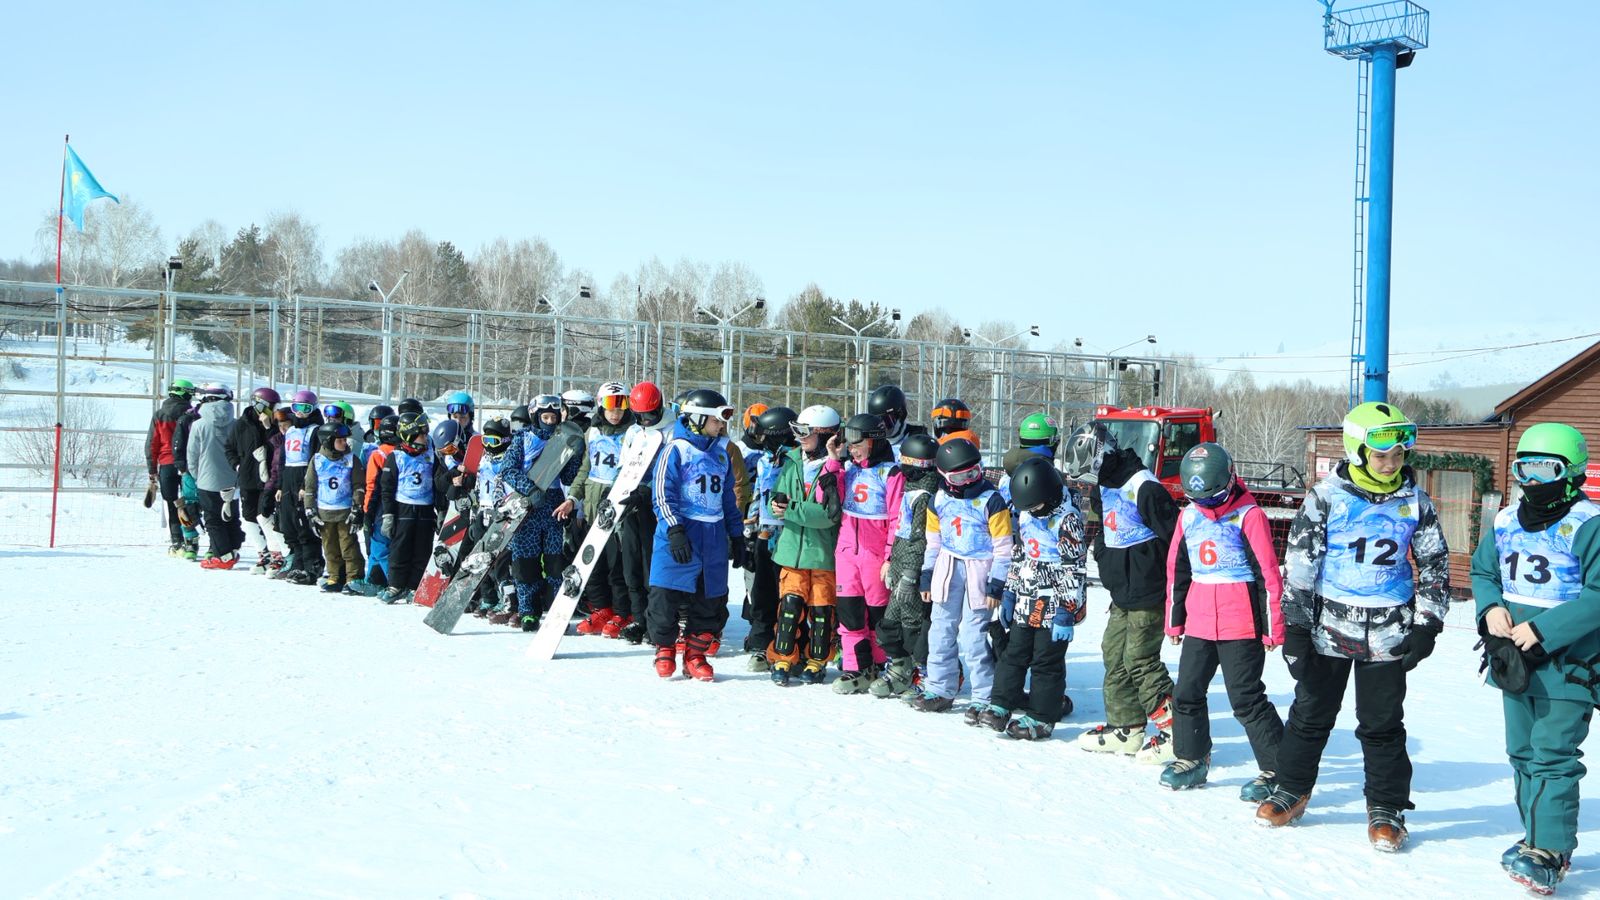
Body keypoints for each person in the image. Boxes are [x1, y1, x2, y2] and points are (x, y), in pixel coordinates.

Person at [1256, 401, 1450, 854]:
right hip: (1328, 628)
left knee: (1382, 723)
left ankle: (1386, 807)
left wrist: (1427, 626)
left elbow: (1436, 566)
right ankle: (1291, 788)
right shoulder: (1327, 497)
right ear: (1358, 451)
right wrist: (1297, 631)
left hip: (1389, 631)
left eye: (1399, 455)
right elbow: (1301, 565)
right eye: (1382, 455)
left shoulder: (1414, 502)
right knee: (1311, 714)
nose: (1392, 463)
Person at [1473, 423, 1600, 894]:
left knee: (1552, 756)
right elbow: (1485, 570)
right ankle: (1536, 838)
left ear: (1571, 473)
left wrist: (1544, 629)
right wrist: (1491, 607)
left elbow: (1598, 594)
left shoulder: (1587, 525)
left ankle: (1550, 850)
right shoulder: (1506, 520)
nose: (1532, 477)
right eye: (1524, 466)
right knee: (1522, 753)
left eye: (1545, 467)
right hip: (1513, 661)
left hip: (1568, 667)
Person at [1161, 443, 1285, 798]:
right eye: (1202, 501)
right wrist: (1175, 620)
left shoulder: (1249, 515)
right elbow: (1177, 570)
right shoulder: (1188, 516)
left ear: (1230, 482)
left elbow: (1268, 575)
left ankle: (1278, 767)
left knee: (1245, 699)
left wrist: (1273, 627)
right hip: (1199, 620)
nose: (1209, 508)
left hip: (1240, 622)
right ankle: (1191, 758)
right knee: (1186, 692)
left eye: (1215, 499)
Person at [1064, 422, 1179, 762]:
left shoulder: (1143, 487)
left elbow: (1175, 539)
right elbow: (1102, 527)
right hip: (1121, 591)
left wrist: (1175, 589)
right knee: (1113, 654)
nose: (1089, 484)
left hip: (1148, 589)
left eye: (1089, 474)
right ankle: (1125, 727)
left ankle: (1176, 731)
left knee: (1139, 660)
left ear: (1103, 457)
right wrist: (1102, 555)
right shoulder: (1104, 485)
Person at [984, 457, 1086, 739]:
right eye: (1026, 508)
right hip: (1026, 598)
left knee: (1046, 661)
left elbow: (1074, 568)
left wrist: (1067, 610)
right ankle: (1002, 703)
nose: (1031, 513)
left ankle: (1042, 716)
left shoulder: (1068, 520)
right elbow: (1020, 554)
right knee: (1014, 654)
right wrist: (1009, 591)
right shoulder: (1029, 514)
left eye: (1036, 507)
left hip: (1054, 605)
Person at [646, 389, 743, 680]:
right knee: (665, 597)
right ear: (700, 418)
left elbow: (728, 500)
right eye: (718, 418)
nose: (722, 424)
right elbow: (663, 494)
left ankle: (695, 653)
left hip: (712, 535)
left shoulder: (721, 454)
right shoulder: (676, 449)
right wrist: (674, 529)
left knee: (710, 599)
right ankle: (664, 648)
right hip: (680, 532)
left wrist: (736, 536)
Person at [909, 437, 1012, 714]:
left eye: (974, 472)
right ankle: (940, 687)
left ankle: (983, 695)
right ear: (945, 476)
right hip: (947, 568)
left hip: (980, 571)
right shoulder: (938, 500)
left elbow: (1003, 548)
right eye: (961, 475)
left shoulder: (991, 501)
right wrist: (927, 575)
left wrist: (997, 583)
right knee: (940, 631)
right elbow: (933, 542)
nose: (969, 480)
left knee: (972, 636)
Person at [824, 413, 905, 694]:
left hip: (875, 555)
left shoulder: (891, 474)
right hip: (847, 552)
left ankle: (881, 666)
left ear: (874, 440)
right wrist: (833, 460)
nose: (853, 449)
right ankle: (856, 667)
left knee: (878, 616)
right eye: (850, 444)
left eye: (857, 443)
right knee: (849, 614)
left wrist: (890, 557)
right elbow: (826, 497)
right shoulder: (848, 468)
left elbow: (897, 520)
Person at [766, 404, 843, 686]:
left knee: (822, 611)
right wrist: (776, 503)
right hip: (791, 550)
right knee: (789, 607)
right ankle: (783, 657)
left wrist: (791, 509)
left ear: (824, 436)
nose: (799, 437)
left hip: (822, 552)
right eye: (796, 431)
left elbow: (827, 515)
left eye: (805, 432)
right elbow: (779, 494)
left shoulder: (836, 468)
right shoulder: (791, 460)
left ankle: (817, 659)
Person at [497, 395, 580, 630]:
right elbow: (508, 470)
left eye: (553, 417)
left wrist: (575, 455)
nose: (549, 421)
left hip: (553, 504)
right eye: (545, 417)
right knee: (525, 562)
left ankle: (556, 611)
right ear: (535, 416)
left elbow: (568, 477)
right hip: (527, 507)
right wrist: (529, 489)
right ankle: (528, 611)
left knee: (555, 562)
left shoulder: (562, 440)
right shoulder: (523, 439)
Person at [561, 381, 636, 635]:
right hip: (593, 505)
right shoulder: (591, 433)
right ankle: (600, 608)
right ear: (600, 406)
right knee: (593, 562)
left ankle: (621, 612)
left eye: (622, 405)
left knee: (617, 565)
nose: (616, 412)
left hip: (617, 506)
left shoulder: (633, 433)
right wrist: (573, 498)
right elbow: (586, 469)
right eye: (610, 406)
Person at [873, 432, 941, 697]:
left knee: (913, 622)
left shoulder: (925, 494)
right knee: (891, 622)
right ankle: (898, 669)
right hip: (901, 560)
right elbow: (901, 533)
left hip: (915, 567)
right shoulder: (911, 489)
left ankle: (924, 672)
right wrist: (891, 561)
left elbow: (920, 539)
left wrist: (910, 573)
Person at [742, 406, 797, 670]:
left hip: (790, 536)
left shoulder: (795, 461)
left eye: (764, 435)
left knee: (788, 594)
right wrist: (750, 530)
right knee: (761, 592)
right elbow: (758, 494)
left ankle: (790, 645)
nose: (760, 439)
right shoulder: (764, 460)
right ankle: (761, 643)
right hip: (765, 532)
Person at [615, 382, 668, 642]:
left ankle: (654, 621)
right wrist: (617, 490)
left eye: (650, 415)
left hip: (657, 503)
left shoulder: (671, 429)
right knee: (631, 564)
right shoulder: (634, 432)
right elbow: (625, 463)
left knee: (651, 566)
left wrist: (647, 490)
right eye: (640, 416)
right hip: (633, 502)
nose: (645, 421)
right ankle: (638, 620)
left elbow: (671, 469)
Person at [378, 411, 441, 604]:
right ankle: (396, 585)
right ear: (409, 435)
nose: (425, 437)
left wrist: (442, 510)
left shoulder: (430, 454)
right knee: (400, 549)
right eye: (421, 434)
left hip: (425, 510)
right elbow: (387, 488)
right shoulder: (396, 457)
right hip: (403, 509)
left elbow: (438, 483)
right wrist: (388, 514)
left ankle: (415, 586)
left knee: (422, 549)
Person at [188, 384, 246, 569]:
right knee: (231, 515)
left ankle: (223, 556)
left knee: (213, 519)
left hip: (207, 480)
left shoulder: (198, 425)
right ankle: (234, 550)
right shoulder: (237, 424)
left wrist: (197, 477)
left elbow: (192, 455)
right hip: (233, 480)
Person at [305, 421, 366, 593]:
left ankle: (353, 577)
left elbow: (358, 485)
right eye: (340, 440)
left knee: (349, 546)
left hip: (345, 512)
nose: (345, 443)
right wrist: (310, 510)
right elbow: (310, 488)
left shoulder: (351, 459)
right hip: (325, 512)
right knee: (330, 547)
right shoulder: (317, 460)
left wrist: (357, 507)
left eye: (345, 440)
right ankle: (334, 576)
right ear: (328, 441)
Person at [276, 390, 326, 585]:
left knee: (304, 524)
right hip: (288, 477)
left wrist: (308, 485)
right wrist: (280, 485)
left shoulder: (315, 430)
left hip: (304, 476)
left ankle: (312, 566)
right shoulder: (290, 431)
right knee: (289, 524)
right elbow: (283, 459)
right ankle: (297, 563)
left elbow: (316, 459)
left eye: (305, 408)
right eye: (296, 408)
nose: (300, 413)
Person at [227, 387, 279, 571]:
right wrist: (238, 465)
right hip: (248, 478)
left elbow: (278, 446)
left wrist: (268, 428)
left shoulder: (274, 425)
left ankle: (276, 554)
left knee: (265, 515)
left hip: (268, 479)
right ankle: (262, 553)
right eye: (271, 406)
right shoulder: (241, 425)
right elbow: (229, 448)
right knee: (248, 516)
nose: (274, 410)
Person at [146, 378, 195, 554]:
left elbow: (152, 444)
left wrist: (152, 469)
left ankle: (177, 542)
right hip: (189, 465)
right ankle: (191, 539)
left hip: (166, 464)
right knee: (190, 502)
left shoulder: (159, 415)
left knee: (173, 503)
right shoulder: (193, 414)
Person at [359, 414, 399, 589]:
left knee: (379, 544)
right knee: (378, 546)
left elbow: (372, 485)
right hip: (399, 503)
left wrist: (367, 510)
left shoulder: (379, 454)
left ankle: (394, 581)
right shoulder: (403, 452)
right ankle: (372, 580)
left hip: (381, 504)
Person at [867, 384, 927, 458]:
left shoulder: (918, 441)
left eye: (887, 421)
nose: (882, 428)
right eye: (876, 423)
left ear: (901, 415)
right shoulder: (870, 444)